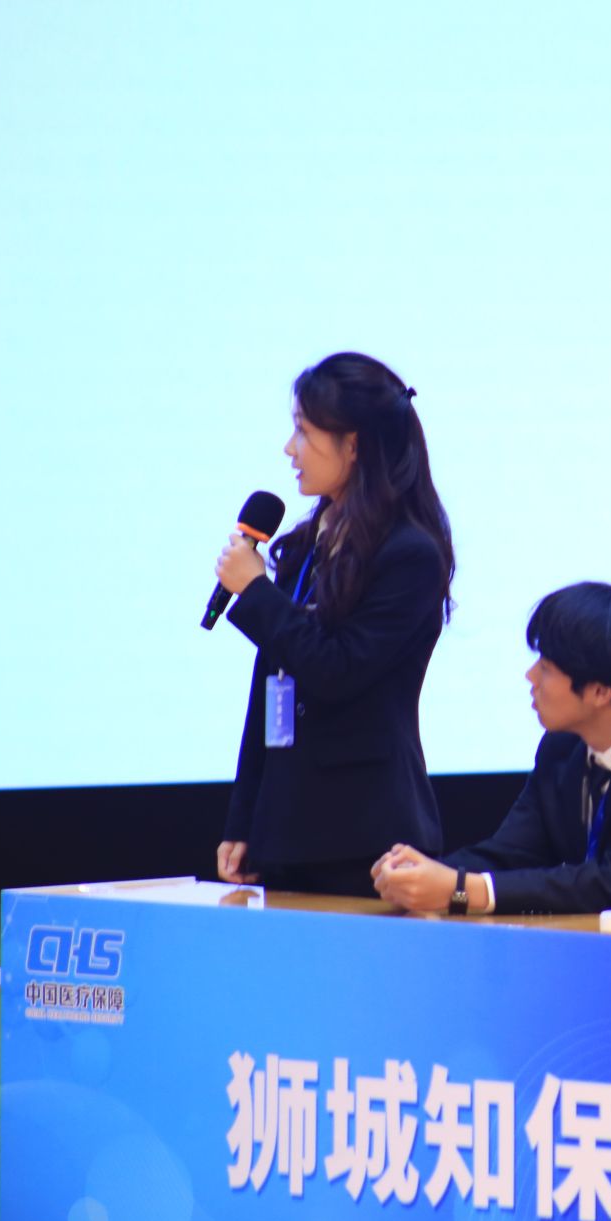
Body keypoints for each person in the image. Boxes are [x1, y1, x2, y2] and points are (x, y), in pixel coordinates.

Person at [211, 352, 454, 895]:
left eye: (303, 430)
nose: (289, 448)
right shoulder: (305, 544)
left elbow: (338, 670)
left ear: (354, 444)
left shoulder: (409, 553)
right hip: (285, 828)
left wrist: (256, 591)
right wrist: (243, 818)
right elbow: (270, 687)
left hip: (365, 836)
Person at [372, 582, 611, 914]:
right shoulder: (563, 745)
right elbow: (511, 852)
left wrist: (460, 890)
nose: (530, 676)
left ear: (600, 691)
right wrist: (425, 873)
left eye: (546, 667)